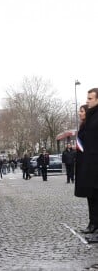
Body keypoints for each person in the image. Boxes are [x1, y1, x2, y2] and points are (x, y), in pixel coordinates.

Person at [78, 88, 98, 243]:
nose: (87, 101)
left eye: (90, 98)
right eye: (87, 98)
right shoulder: (91, 117)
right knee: (93, 197)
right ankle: (94, 225)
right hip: (90, 164)